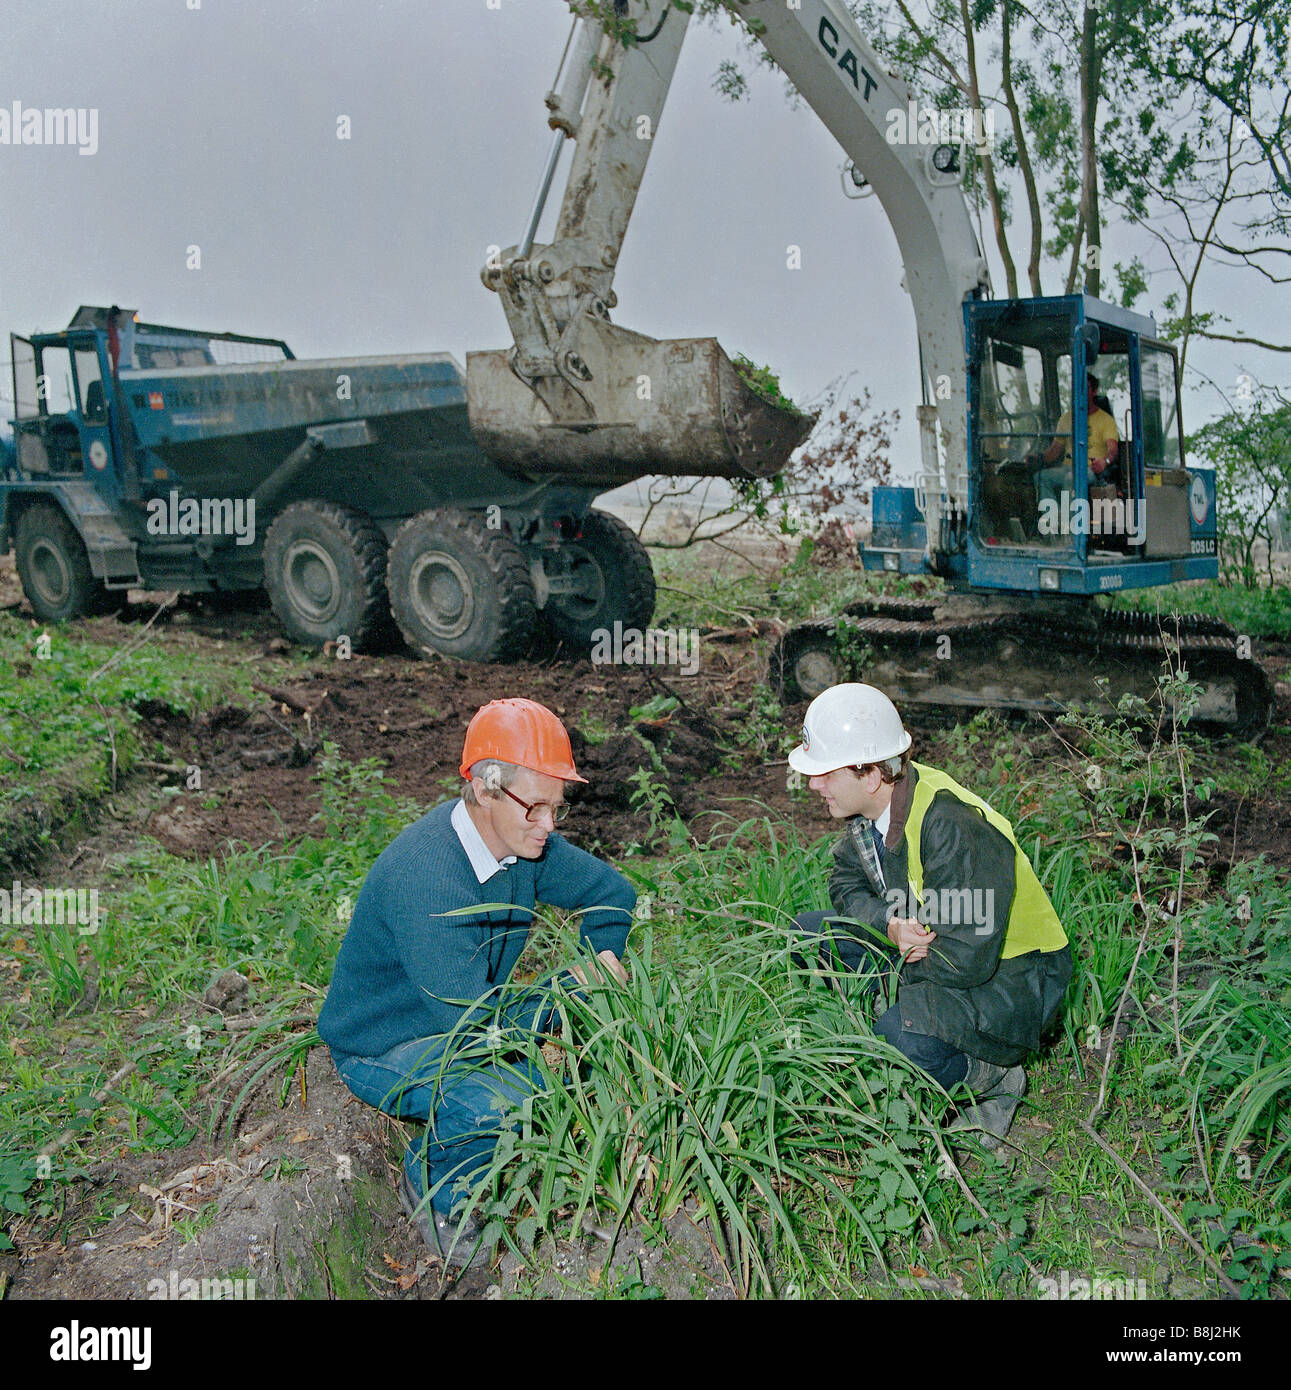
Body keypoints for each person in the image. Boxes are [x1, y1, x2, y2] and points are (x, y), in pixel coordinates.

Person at [318, 697, 635, 1266]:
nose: (549, 826)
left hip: (464, 1017)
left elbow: (613, 896)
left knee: (588, 1062)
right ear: (486, 790)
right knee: (513, 1098)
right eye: (535, 808)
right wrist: (571, 990)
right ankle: (436, 1184)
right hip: (386, 1043)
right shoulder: (430, 879)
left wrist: (601, 969)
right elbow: (472, 1026)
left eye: (556, 808)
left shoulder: (525, 848)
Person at [788, 684, 1072, 1147]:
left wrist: (903, 985)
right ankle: (902, 1023)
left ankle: (994, 1077)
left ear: (870, 774)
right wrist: (888, 923)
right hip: (935, 948)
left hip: (1013, 979)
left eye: (823, 771)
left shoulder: (951, 825)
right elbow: (845, 883)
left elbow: (967, 957)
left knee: (900, 1038)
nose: (813, 784)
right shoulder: (874, 812)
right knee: (805, 935)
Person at [1032, 371, 1119, 516]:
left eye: (1085, 388)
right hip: (1067, 467)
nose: (1080, 392)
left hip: (1090, 470)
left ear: (1094, 391)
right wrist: (1038, 458)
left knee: (1071, 479)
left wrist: (1105, 461)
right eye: (1076, 388)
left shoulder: (1106, 420)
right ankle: (1053, 521)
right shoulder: (1066, 418)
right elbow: (1054, 451)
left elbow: (1113, 450)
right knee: (1041, 476)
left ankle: (1070, 529)